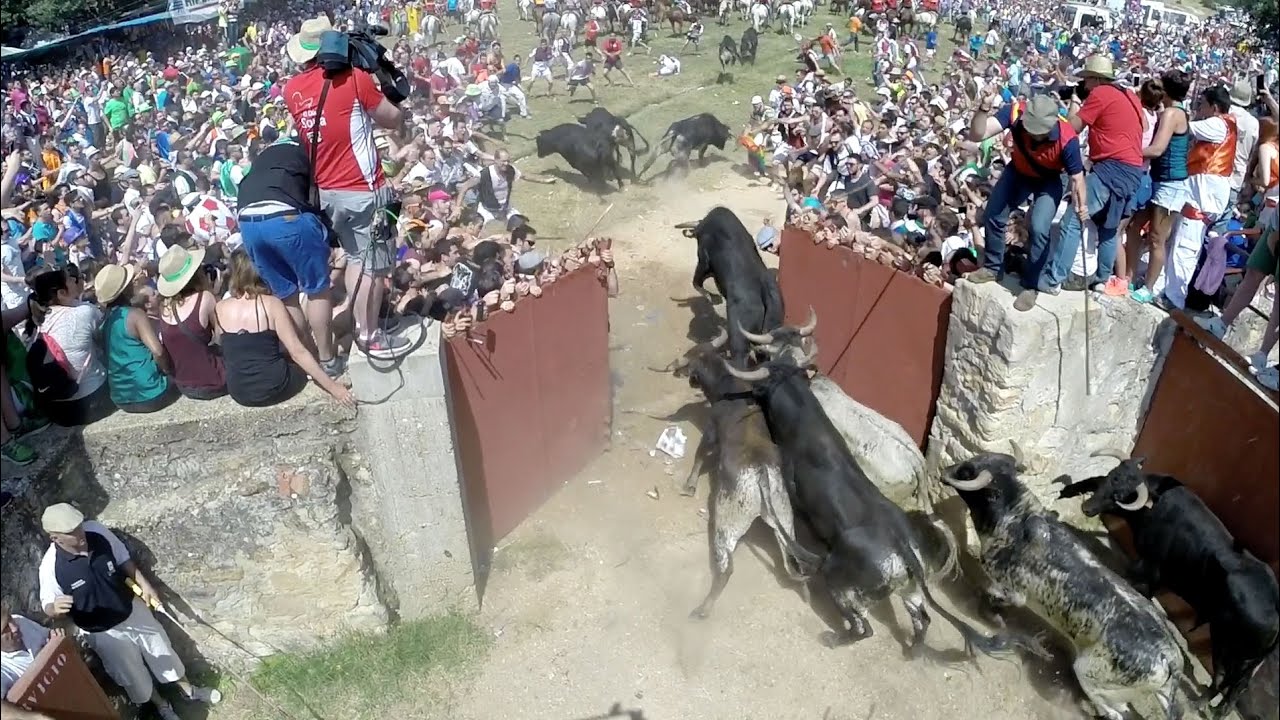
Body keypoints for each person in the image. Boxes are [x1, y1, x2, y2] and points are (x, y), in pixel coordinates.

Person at [283, 15, 409, 360]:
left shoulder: (291, 89)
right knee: (373, 266)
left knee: (356, 259)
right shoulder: (355, 80)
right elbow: (393, 118)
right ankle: (369, 335)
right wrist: (379, 80)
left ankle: (362, 325)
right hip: (364, 190)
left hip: (329, 192)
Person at [38, 503, 220, 720]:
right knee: (132, 676)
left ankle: (189, 692)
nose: (80, 533)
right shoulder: (50, 566)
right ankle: (162, 706)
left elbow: (123, 558)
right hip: (103, 632)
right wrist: (55, 609)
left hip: (132, 608)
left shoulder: (95, 530)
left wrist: (145, 585)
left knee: (165, 654)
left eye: (79, 526)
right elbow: (48, 604)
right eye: (71, 532)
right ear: (55, 538)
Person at [968, 92, 1086, 312]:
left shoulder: (1067, 138)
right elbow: (978, 135)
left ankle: (1030, 285)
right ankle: (993, 267)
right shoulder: (1014, 112)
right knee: (994, 213)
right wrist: (983, 110)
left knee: (1040, 228)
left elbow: (1077, 178)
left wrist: (1082, 206)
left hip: (1050, 180)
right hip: (1019, 171)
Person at [1055, 54, 1147, 296]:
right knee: (1109, 227)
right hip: (1133, 170)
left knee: (1074, 218)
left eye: (1086, 80)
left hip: (1111, 167)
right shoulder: (1130, 96)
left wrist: (1074, 103)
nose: (1084, 85)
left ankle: (1057, 276)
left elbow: (1073, 128)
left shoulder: (1101, 94)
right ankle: (1101, 280)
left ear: (1095, 79)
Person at [215, 250, 355, 408]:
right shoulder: (271, 304)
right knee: (302, 358)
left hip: (239, 392)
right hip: (275, 386)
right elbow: (297, 352)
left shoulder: (220, 307)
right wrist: (334, 388)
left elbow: (226, 345)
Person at [1160, 85, 1239, 309]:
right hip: (1204, 188)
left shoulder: (1217, 123)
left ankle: (1175, 297)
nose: (1199, 108)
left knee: (1186, 244)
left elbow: (1186, 127)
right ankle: (1169, 289)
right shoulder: (1227, 123)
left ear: (1214, 107)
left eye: (1202, 104)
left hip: (1205, 192)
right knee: (1180, 240)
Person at [1127, 70, 1192, 304]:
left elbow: (1156, 149)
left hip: (1170, 184)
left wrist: (1126, 152)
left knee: (1156, 237)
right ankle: (1129, 276)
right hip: (1159, 179)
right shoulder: (1173, 111)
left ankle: (1148, 287)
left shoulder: (1172, 114)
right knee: (1134, 227)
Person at [25, 269, 113, 427]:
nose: (74, 281)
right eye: (70, 280)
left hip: (59, 411)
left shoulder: (39, 320)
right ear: (61, 293)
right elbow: (105, 336)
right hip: (93, 402)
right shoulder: (84, 312)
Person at [96, 263, 178, 414]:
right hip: (151, 395)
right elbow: (158, 352)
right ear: (125, 288)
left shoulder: (104, 321)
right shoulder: (135, 314)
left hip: (121, 399)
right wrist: (167, 371)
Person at [156, 245, 227, 399]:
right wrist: (216, 295)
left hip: (184, 385)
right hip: (214, 381)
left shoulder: (164, 307)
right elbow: (222, 338)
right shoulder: (205, 298)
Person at [2, 603, 64, 706]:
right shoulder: (3, 669)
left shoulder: (20, 620)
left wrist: (56, 637)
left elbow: (48, 634)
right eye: (5, 629)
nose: (15, 628)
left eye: (10, 619)